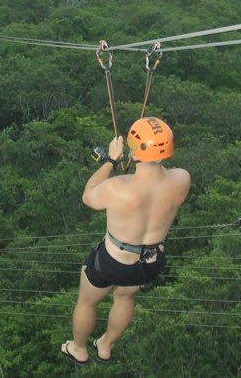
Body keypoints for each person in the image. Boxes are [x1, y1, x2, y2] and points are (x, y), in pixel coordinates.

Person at [61, 117, 192, 366]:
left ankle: (79, 349)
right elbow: (153, 184)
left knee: (87, 301)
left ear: (134, 150)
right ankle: (106, 346)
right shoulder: (182, 179)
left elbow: (88, 196)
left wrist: (111, 160)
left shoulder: (118, 187)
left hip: (113, 261)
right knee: (125, 297)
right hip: (150, 263)